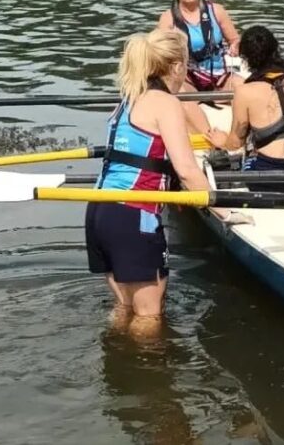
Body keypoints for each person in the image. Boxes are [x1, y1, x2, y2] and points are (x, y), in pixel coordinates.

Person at [85, 28, 212, 338]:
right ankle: (146, 382)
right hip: (133, 216)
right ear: (177, 65)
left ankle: (113, 369)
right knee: (149, 318)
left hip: (99, 212)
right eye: (187, 65)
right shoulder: (165, 103)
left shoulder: (129, 97)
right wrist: (220, 207)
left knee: (125, 308)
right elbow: (186, 169)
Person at [205, 25, 284, 194]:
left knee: (232, 160)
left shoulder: (244, 92)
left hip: (270, 173)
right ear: (276, 49)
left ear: (246, 59)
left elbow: (235, 143)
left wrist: (221, 140)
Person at [157, 0, 242, 133]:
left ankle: (241, 137)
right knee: (178, 94)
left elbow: (235, 39)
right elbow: (160, 53)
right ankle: (209, 139)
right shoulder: (168, 19)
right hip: (189, 78)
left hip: (219, 75)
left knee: (244, 88)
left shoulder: (216, 11)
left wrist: (235, 47)